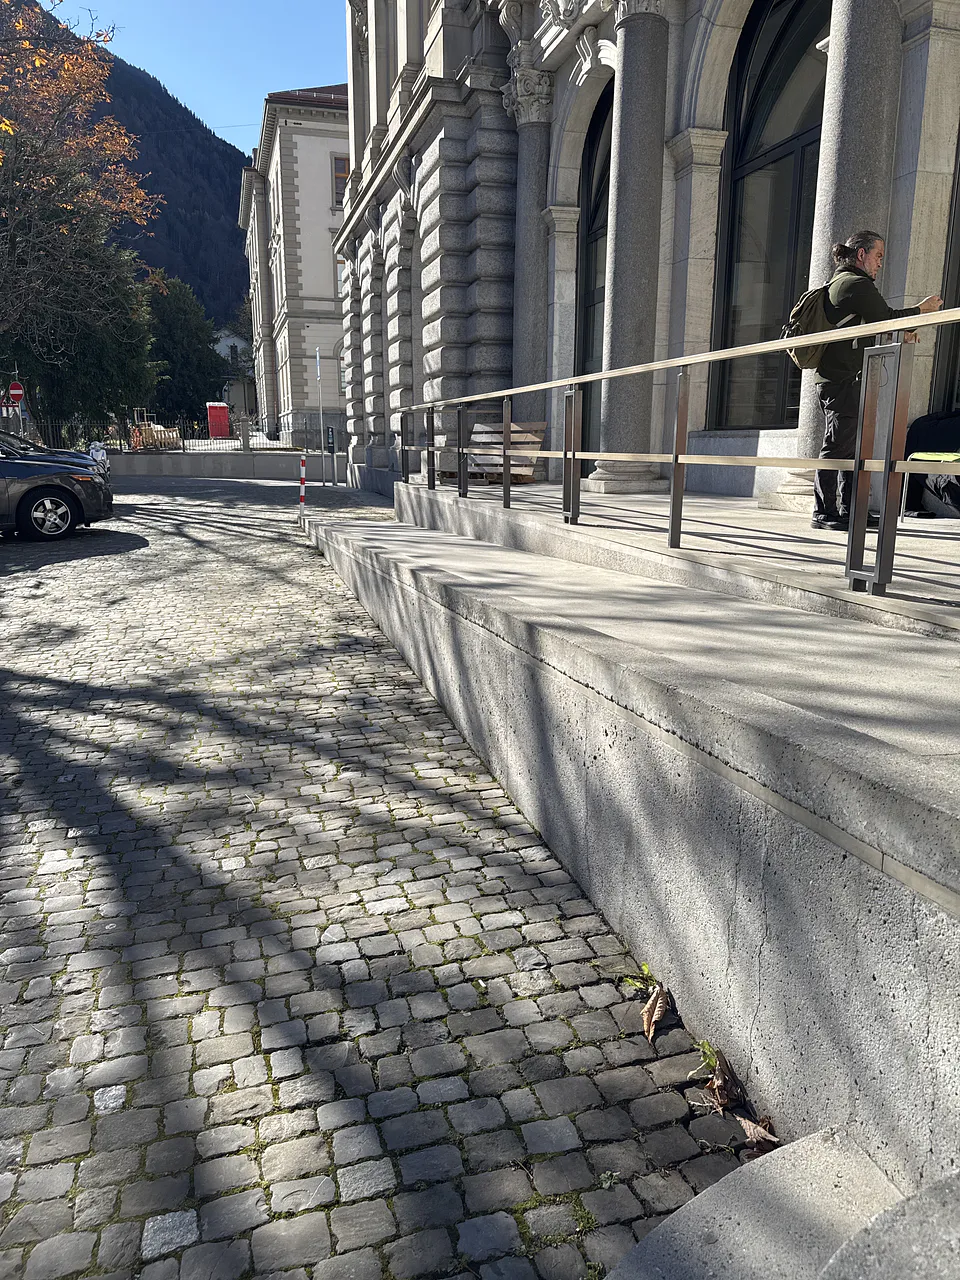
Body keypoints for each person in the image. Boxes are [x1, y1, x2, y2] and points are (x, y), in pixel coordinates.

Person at [812, 231, 943, 531]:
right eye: (878, 256)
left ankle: (850, 509)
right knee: (838, 445)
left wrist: (901, 331)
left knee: (852, 446)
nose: (880, 263)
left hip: (846, 378)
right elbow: (887, 317)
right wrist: (921, 310)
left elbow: (876, 323)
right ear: (861, 254)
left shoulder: (845, 282)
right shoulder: (854, 284)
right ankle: (823, 511)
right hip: (841, 380)